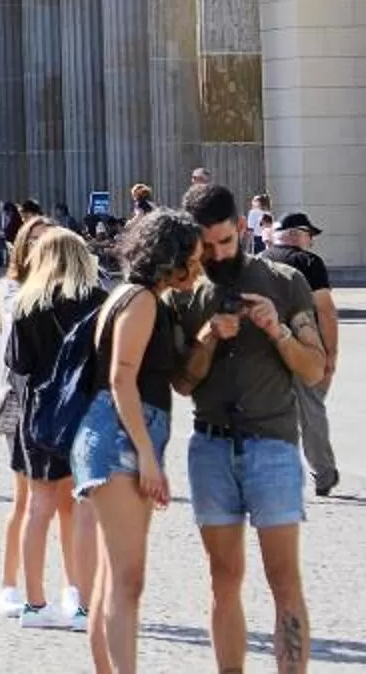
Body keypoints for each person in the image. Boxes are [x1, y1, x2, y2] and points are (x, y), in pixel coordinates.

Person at [177, 180, 326, 674]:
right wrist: (206, 337)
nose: (218, 253)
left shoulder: (285, 281)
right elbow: (181, 383)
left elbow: (314, 368)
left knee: (284, 581)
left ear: (242, 228)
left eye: (226, 240)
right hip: (211, 448)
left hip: (274, 447)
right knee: (223, 579)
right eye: (207, 244)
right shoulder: (186, 291)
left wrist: (278, 330)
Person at [75, 207, 204, 674]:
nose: (199, 265)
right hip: (121, 436)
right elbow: (122, 378)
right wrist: (149, 457)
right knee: (126, 582)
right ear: (170, 257)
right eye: (193, 256)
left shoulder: (129, 295)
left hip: (112, 434)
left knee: (114, 579)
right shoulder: (143, 300)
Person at [3, 224, 103, 630]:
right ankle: (80, 603)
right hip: (86, 414)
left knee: (37, 507)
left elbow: (18, 364)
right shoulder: (100, 300)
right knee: (82, 508)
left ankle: (34, 603)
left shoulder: (28, 303)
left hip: (40, 413)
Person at [263, 212, 337, 498]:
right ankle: (323, 474)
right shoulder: (308, 262)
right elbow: (326, 310)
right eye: (310, 235)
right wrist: (330, 352)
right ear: (297, 234)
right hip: (302, 345)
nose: (311, 242)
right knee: (311, 408)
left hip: (263, 345)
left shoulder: (258, 260)